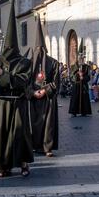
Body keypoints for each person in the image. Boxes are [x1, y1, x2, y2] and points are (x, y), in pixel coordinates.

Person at [0, 1, 33, 178]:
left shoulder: (24, 63)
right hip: (1, 104)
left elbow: (23, 81)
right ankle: (3, 166)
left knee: (19, 135)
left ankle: (24, 163)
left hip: (17, 104)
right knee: (2, 136)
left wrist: (3, 75)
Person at [26, 16, 60, 158]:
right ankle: (34, 146)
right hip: (33, 99)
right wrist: (32, 92)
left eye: (41, 49)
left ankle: (47, 147)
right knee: (33, 123)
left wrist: (44, 91)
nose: (39, 52)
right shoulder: (28, 64)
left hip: (47, 100)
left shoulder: (53, 63)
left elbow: (56, 82)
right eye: (37, 49)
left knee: (48, 124)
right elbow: (25, 82)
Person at [69, 41, 92, 117]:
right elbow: (71, 77)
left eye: (82, 57)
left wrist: (83, 77)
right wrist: (77, 75)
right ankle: (74, 112)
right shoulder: (73, 67)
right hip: (76, 85)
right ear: (78, 58)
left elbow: (88, 77)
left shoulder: (86, 67)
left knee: (84, 99)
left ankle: (84, 111)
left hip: (83, 86)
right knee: (75, 98)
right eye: (80, 57)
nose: (81, 59)